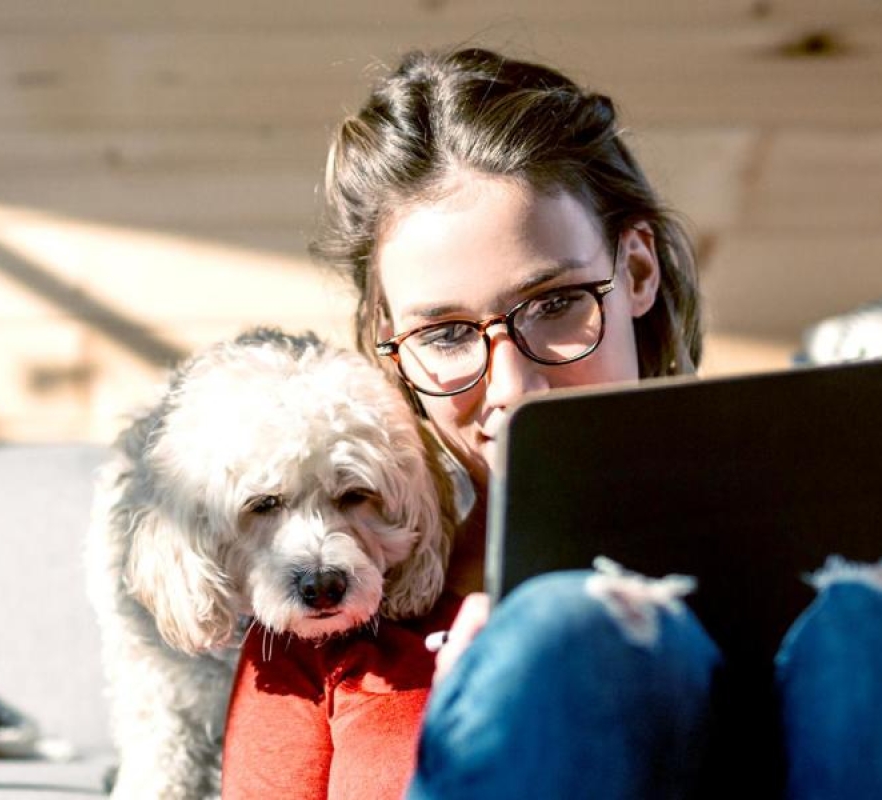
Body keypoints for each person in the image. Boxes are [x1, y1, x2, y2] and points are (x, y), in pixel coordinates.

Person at [221, 45, 882, 800]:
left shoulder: (834, 607)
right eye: (445, 334)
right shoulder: (326, 622)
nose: (517, 387)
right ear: (391, 345)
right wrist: (486, 721)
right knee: (567, 633)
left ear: (636, 271)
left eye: (557, 303)